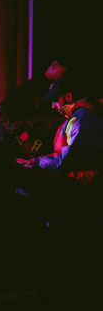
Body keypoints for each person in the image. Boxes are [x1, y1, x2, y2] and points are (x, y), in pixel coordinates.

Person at [15, 74, 103, 214]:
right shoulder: (75, 118)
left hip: (85, 183)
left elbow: (66, 160)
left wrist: (36, 162)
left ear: (68, 97)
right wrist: (33, 161)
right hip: (77, 178)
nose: (53, 106)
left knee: (25, 188)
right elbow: (61, 154)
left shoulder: (82, 120)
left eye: (55, 100)